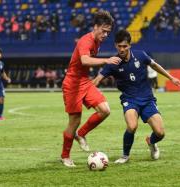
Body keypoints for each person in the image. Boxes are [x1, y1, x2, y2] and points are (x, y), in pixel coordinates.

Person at [93, 30, 180, 164]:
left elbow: (155, 65)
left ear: (130, 45)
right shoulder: (113, 63)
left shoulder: (141, 55)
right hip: (129, 99)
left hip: (147, 99)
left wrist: (171, 77)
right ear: (115, 45)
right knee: (132, 126)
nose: (122, 49)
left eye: (125, 46)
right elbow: (97, 79)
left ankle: (151, 142)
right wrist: (86, 91)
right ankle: (125, 155)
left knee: (160, 133)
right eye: (119, 46)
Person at [60, 10, 121, 167]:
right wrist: (106, 61)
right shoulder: (85, 41)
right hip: (72, 83)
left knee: (105, 110)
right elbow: (85, 60)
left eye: (108, 32)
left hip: (84, 81)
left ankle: (81, 134)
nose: (106, 34)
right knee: (74, 120)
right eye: (104, 31)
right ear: (95, 27)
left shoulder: (98, 41)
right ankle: (65, 156)